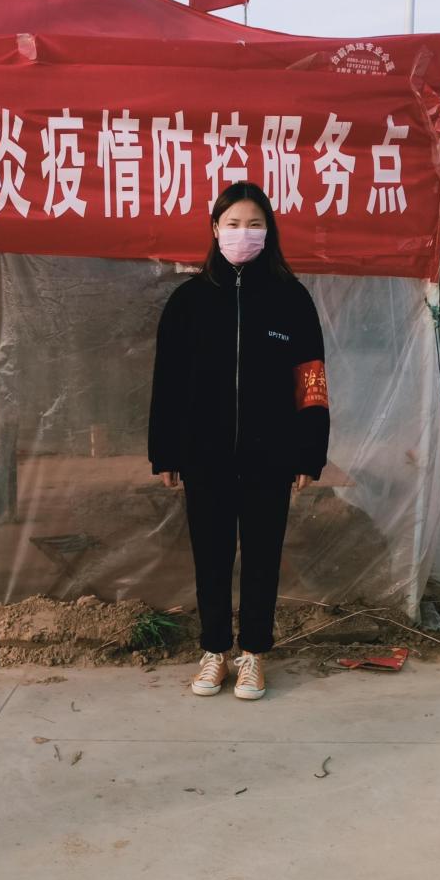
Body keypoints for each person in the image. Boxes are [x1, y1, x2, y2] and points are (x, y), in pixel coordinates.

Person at [148, 182, 330, 700]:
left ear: (269, 232)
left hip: (271, 455)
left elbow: (311, 380)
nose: (242, 234)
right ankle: (214, 651)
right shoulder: (188, 302)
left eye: (254, 224)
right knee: (210, 555)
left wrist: (309, 450)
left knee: (263, 555)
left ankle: (253, 654)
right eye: (232, 224)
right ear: (214, 229)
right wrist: (166, 450)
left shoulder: (290, 299)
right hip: (203, 455)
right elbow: (167, 383)